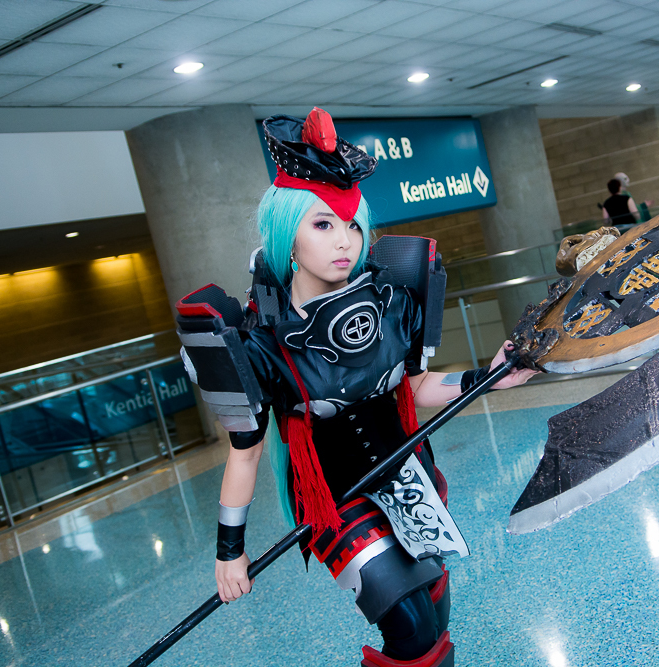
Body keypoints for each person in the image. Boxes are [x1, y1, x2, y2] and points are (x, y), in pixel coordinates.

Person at [177, 108, 536, 667]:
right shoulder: (261, 343)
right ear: (287, 238)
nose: (344, 241)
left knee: (434, 609)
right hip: (335, 498)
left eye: (352, 225)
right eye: (323, 225)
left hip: (408, 475)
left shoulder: (392, 302)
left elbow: (416, 388)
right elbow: (244, 454)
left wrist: (486, 379)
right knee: (411, 628)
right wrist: (229, 552)